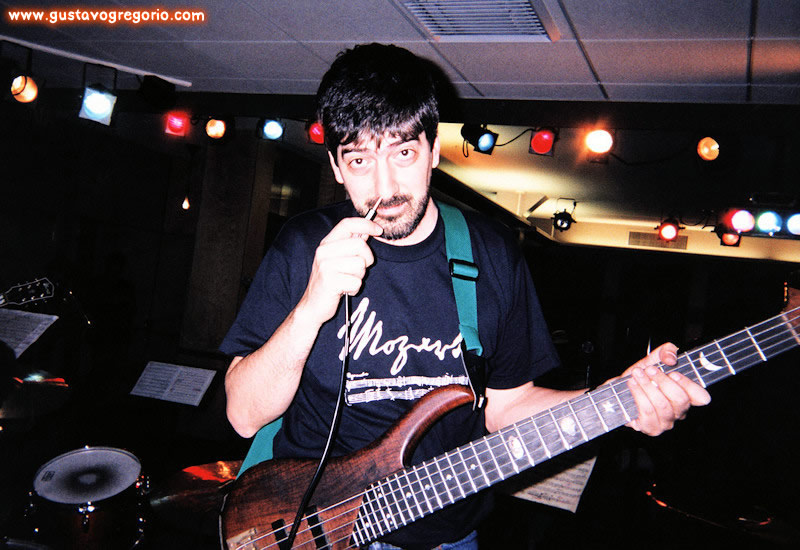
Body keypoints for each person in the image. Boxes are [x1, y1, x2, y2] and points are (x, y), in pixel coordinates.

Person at [221, 43, 711, 550]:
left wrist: (615, 401)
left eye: (403, 153)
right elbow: (243, 415)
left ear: (434, 150)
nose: (385, 186)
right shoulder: (304, 245)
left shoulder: (490, 251)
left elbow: (506, 404)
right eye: (360, 159)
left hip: (447, 534)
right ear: (337, 167)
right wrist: (310, 308)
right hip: (314, 527)